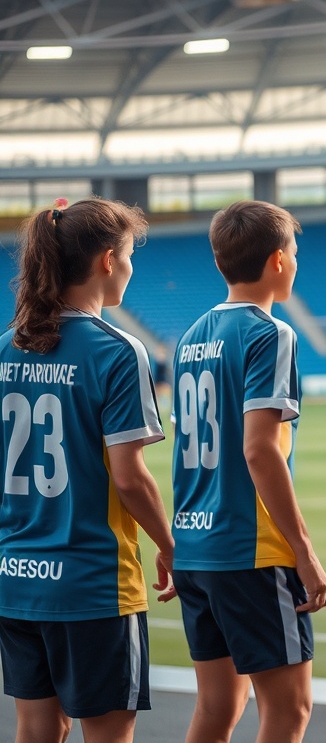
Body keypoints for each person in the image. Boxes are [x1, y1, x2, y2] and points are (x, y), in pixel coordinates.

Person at [0, 198, 174, 743]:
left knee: (37, 728)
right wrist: (171, 546)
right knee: (106, 734)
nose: (129, 268)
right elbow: (130, 477)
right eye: (127, 257)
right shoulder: (119, 352)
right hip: (91, 583)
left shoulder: (5, 348)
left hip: (14, 579)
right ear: (106, 261)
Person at [170, 200, 326, 743]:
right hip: (250, 550)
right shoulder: (271, 334)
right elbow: (259, 451)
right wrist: (304, 551)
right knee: (288, 712)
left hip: (195, 547)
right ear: (278, 261)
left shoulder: (191, 336)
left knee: (218, 709)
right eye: (296, 252)